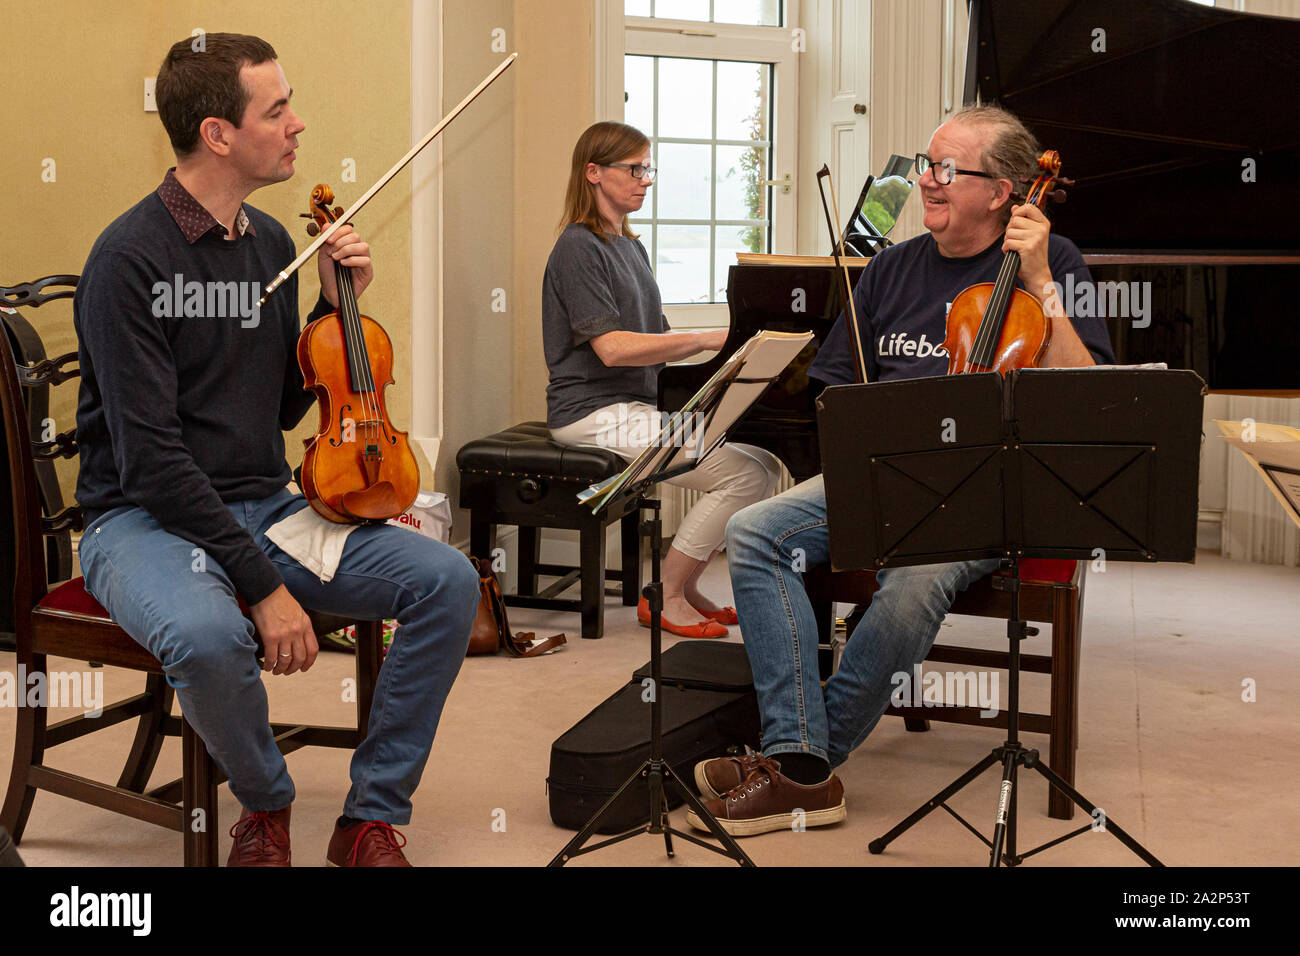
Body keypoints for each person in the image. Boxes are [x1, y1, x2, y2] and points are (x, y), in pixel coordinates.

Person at [73, 33, 480, 866]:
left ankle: (370, 815)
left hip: (263, 503)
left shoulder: (266, 244)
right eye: (278, 108)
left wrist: (336, 310)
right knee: (208, 635)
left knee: (446, 580)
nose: (299, 123)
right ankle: (267, 802)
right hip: (142, 520)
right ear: (219, 133)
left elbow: (288, 401)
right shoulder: (127, 260)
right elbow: (150, 464)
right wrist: (263, 588)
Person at [688, 104, 1115, 836]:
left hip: (990, 488)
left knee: (916, 575)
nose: (927, 181)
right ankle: (801, 756)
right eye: (927, 164)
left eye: (948, 169)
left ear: (1004, 190)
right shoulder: (889, 267)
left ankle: (799, 770)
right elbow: (834, 394)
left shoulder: (1059, 262)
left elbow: (1095, 400)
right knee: (755, 530)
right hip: (884, 473)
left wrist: (1041, 279)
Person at [543, 121, 782, 638]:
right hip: (591, 416)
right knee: (742, 475)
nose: (645, 180)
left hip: (631, 410)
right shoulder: (578, 248)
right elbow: (611, 349)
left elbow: (656, 338)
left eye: (647, 168)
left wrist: (736, 359)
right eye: (634, 169)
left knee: (761, 462)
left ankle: (687, 587)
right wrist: (703, 340)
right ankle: (666, 595)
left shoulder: (630, 246)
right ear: (593, 173)